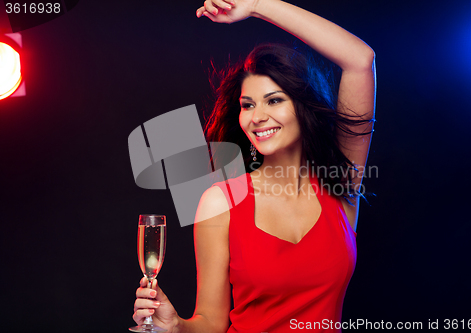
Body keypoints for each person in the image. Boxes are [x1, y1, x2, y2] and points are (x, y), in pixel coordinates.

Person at [133, 0, 375, 331]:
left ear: (304, 107)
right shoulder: (221, 201)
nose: (257, 117)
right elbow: (211, 322)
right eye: (248, 105)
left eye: (274, 100)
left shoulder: (339, 185)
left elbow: (360, 60)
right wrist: (175, 326)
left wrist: (259, 5)